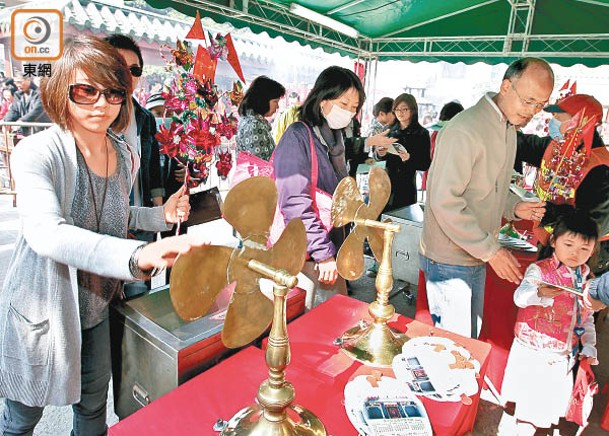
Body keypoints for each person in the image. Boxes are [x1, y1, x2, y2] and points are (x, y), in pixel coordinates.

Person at [0, 35, 200, 435]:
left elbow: (112, 214)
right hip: (44, 308)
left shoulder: (122, 152)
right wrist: (137, 256)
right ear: (61, 89)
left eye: (112, 92)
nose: (100, 104)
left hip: (99, 306)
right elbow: (46, 232)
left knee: (93, 412)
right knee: (22, 418)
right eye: (85, 90)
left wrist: (161, 215)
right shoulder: (37, 152)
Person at [419, 57, 554, 338]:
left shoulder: (507, 129)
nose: (532, 112)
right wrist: (491, 250)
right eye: (528, 101)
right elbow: (444, 201)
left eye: (540, 105)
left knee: (468, 337)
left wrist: (515, 206)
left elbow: (491, 187)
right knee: (455, 345)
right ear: (506, 87)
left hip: (475, 252)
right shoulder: (465, 129)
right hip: (450, 258)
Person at [274, 66, 364, 309]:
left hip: (330, 247)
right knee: (309, 323)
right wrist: (323, 253)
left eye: (354, 107)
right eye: (344, 104)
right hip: (306, 255)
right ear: (323, 99)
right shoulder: (298, 137)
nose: (349, 112)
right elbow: (295, 202)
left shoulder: (334, 140)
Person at [501, 210, 598, 435]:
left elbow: (586, 316)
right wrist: (540, 293)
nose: (575, 253)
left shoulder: (585, 277)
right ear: (554, 241)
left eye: (584, 248)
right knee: (527, 404)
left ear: (593, 250)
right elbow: (520, 297)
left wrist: (590, 344)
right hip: (532, 351)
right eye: (569, 244)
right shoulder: (539, 270)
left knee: (545, 406)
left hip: (561, 354)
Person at [516, 94, 609, 274]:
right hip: (555, 246)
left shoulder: (600, 167)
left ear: (582, 121)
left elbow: (590, 226)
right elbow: (523, 145)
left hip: (586, 259)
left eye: (560, 116)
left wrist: (543, 211)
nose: (554, 120)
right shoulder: (560, 147)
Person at [375, 93, 431, 210]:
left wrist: (409, 158)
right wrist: (380, 154)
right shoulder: (389, 130)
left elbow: (425, 164)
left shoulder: (422, 134)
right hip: (386, 183)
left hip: (406, 186)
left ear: (413, 110)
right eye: (397, 109)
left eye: (404, 109)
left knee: (402, 220)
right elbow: (378, 157)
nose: (400, 112)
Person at [236, 75, 285, 161]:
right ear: (263, 100)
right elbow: (261, 165)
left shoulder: (249, 120)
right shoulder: (255, 125)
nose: (277, 106)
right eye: (275, 101)